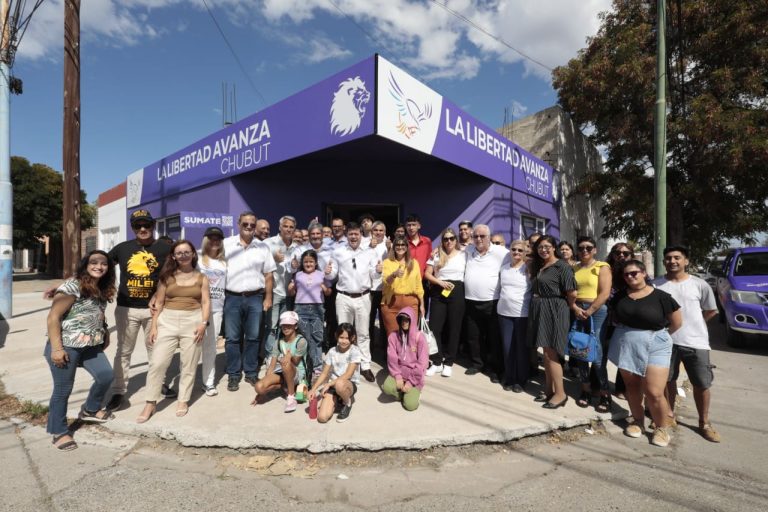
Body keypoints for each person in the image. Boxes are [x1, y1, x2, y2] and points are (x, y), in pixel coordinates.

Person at [45, 250, 116, 451]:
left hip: (90, 346)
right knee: (63, 390)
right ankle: (58, 431)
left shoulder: (101, 286)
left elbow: (97, 312)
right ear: (85, 265)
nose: (99, 266)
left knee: (106, 376)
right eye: (94, 262)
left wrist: (105, 331)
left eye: (104, 263)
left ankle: (90, 409)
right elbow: (53, 317)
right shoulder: (72, 286)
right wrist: (57, 349)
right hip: (66, 345)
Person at [608, 260, 682, 447]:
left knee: (654, 392)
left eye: (634, 273)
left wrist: (660, 338)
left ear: (643, 273)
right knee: (632, 386)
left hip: (656, 344)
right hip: (627, 343)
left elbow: (676, 322)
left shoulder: (662, 297)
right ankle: (637, 421)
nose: (630, 277)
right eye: (626, 274)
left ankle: (661, 427)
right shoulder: (619, 297)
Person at [106, 209, 173, 411]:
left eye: (146, 225)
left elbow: (174, 274)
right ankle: (119, 391)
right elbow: (99, 266)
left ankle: (158, 384)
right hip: (126, 309)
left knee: (156, 351)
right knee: (124, 351)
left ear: (153, 225)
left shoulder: (165, 248)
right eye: (138, 225)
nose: (143, 229)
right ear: (133, 228)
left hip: (155, 310)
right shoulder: (122, 248)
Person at [137, 240, 211, 422]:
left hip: (193, 321)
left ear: (193, 254)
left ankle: (183, 400)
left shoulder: (202, 278)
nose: (183, 255)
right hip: (167, 320)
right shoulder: (166, 277)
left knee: (189, 364)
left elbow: (205, 302)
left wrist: (203, 323)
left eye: (187, 252)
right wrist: (154, 326)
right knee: (157, 363)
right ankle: (150, 402)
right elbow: (159, 302)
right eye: (179, 252)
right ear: (174, 256)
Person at [653, 246, 721, 443]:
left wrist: (695, 324)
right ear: (664, 262)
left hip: (696, 342)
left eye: (677, 257)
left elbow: (711, 310)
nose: (672, 261)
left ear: (686, 261)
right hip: (666, 341)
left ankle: (704, 423)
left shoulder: (699, 284)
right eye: (668, 258)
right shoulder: (656, 284)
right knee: (667, 381)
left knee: (701, 383)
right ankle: (668, 416)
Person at [222, 212, 276, 391]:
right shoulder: (226, 244)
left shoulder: (262, 247)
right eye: (245, 224)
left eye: (252, 225)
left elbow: (268, 274)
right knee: (232, 338)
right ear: (238, 224)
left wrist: (268, 297)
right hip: (232, 297)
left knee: (253, 337)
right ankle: (233, 374)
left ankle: (251, 372)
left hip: (255, 297)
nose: (249, 227)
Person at [325, 222, 381, 382]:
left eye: (356, 234)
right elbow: (333, 274)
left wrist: (378, 271)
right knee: (344, 333)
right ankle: (345, 365)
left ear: (361, 235)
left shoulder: (370, 252)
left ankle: (365, 365)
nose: (354, 237)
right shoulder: (338, 252)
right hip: (343, 297)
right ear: (346, 235)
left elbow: (374, 275)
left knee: (363, 333)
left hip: (363, 297)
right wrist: (328, 273)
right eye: (351, 234)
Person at [528, 235, 578, 409]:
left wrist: (569, 307)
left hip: (555, 309)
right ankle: (549, 390)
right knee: (546, 351)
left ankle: (561, 394)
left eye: (547, 246)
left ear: (554, 247)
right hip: (541, 308)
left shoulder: (562, 266)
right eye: (540, 247)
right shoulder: (541, 266)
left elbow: (572, 292)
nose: (543, 250)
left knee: (552, 353)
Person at [571, 236, 612, 412]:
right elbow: (569, 291)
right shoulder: (574, 268)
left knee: (597, 353)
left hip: (596, 311)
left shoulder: (602, 267)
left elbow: (604, 293)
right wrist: (574, 308)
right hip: (577, 309)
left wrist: (589, 311)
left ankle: (604, 393)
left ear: (595, 250)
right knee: (580, 349)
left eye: (588, 247)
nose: (584, 251)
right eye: (581, 248)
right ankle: (585, 390)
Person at [463, 224, 508, 383]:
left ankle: (495, 369)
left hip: (492, 302)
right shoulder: (469, 250)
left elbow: (520, 256)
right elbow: (451, 250)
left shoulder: (501, 252)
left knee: (494, 337)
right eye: (475, 236)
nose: (479, 239)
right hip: (470, 301)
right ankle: (477, 364)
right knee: (473, 336)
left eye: (482, 236)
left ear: (489, 237)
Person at [424, 228, 467, 377]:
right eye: (445, 239)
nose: (449, 241)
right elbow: (427, 274)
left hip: (457, 291)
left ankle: (448, 362)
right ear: (442, 241)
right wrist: (439, 282)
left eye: (451, 238)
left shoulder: (464, 254)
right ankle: (437, 362)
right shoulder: (436, 255)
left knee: (454, 328)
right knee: (435, 328)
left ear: (456, 239)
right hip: (439, 291)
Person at [251, 311, 308, 413]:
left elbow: (296, 362)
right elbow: (272, 366)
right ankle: (284, 386)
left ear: (295, 326)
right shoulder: (279, 341)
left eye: (289, 325)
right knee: (259, 387)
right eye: (283, 325)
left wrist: (290, 356)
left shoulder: (301, 341)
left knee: (285, 363)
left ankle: (291, 396)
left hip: (297, 373)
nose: (286, 327)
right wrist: (261, 392)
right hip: (283, 371)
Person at [497, 240, 532, 392]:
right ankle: (510, 377)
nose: (516, 252)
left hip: (522, 314)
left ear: (525, 253)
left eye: (520, 250)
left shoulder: (528, 269)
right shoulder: (504, 268)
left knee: (521, 349)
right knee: (507, 348)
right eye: (513, 249)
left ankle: (521, 380)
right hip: (504, 313)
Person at [288, 249, 330, 377]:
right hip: (301, 308)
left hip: (317, 308)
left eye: (311, 261)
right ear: (302, 263)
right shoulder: (297, 275)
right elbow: (292, 293)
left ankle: (317, 367)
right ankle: (305, 365)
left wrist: (325, 289)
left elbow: (329, 292)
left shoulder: (322, 275)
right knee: (304, 338)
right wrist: (290, 289)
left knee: (317, 338)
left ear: (316, 262)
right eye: (306, 262)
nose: (308, 264)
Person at [308, 323, 361, 423]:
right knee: (322, 418)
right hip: (333, 386)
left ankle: (347, 403)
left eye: (347, 338)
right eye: (341, 337)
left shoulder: (355, 351)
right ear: (336, 336)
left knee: (339, 384)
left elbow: (348, 375)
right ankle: (337, 400)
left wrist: (328, 384)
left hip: (347, 384)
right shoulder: (332, 351)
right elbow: (324, 373)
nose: (344, 341)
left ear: (353, 338)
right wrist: (313, 389)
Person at [264, 215, 299, 360]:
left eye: (291, 227)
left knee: (285, 326)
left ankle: (279, 353)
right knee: (272, 327)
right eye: (285, 226)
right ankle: (269, 357)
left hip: (289, 294)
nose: (288, 229)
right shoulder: (268, 243)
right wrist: (273, 258)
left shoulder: (296, 247)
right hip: (274, 292)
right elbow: (260, 265)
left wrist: (295, 268)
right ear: (279, 227)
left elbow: (298, 270)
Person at [604, 242, 636, 398]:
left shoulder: (636, 271)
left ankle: (621, 388)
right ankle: (598, 386)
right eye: (617, 253)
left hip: (626, 321)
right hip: (605, 320)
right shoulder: (605, 270)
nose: (621, 256)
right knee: (601, 354)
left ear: (631, 255)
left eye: (625, 253)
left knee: (625, 356)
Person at [382, 307, 429, 411]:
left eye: (407, 320)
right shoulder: (393, 336)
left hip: (414, 377)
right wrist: (397, 376)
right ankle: (401, 393)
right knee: (387, 388)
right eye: (402, 319)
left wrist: (410, 383)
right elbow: (392, 359)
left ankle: (409, 394)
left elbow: (422, 364)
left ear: (412, 320)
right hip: (399, 373)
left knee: (410, 406)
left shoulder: (420, 337)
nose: (404, 322)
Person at [198, 226, 227, 396]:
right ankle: (185, 383)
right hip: (197, 309)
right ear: (205, 240)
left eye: (218, 238)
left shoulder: (224, 262)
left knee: (210, 347)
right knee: (192, 347)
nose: (215, 241)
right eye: (211, 238)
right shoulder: (197, 259)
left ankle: (208, 382)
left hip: (217, 309)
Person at [380, 236, 424, 334]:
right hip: (391, 303)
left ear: (407, 247)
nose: (400, 247)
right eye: (397, 245)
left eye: (403, 244)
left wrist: (422, 305)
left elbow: (418, 286)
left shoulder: (414, 263)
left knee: (410, 335)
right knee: (393, 336)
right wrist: (394, 274)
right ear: (394, 247)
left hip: (410, 302)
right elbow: (386, 282)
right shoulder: (387, 262)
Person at [368, 221, 390, 347]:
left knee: (384, 320)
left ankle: (384, 348)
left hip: (384, 288)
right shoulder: (365, 244)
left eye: (381, 230)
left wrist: (390, 248)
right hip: (370, 289)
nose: (378, 232)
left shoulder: (389, 244)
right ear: (371, 232)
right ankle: (370, 348)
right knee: (369, 321)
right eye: (375, 230)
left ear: (385, 232)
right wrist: (369, 247)